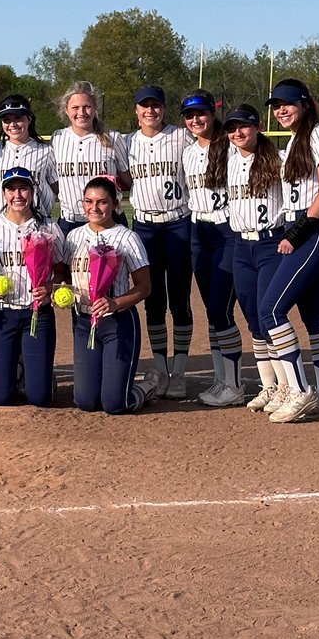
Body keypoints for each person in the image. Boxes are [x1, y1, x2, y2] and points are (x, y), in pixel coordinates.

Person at [260, 78, 319, 421]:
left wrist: (297, 231)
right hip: (301, 228)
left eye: (287, 103)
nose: (280, 109)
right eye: (276, 105)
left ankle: (299, 391)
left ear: (305, 103)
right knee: (315, 318)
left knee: (271, 311)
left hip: (314, 229)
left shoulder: (317, 134)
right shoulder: (293, 142)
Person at [223, 104, 298, 422]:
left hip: (271, 243)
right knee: (253, 318)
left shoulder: (277, 160)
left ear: (257, 127)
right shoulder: (229, 158)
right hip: (242, 245)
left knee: (270, 315)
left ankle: (288, 386)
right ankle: (270, 386)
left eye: (244, 126)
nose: (238, 132)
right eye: (232, 128)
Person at [65, 176, 156, 414]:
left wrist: (115, 303)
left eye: (102, 202)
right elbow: (62, 277)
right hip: (83, 322)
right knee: (86, 402)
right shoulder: (74, 237)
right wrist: (60, 291)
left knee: (115, 404)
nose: (94, 208)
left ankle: (146, 387)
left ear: (115, 204)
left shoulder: (127, 237)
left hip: (118, 323)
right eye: (88, 201)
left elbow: (144, 287)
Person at [126, 84, 193, 399]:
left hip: (178, 222)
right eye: (144, 106)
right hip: (145, 226)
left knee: (179, 299)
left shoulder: (181, 136)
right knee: (153, 300)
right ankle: (160, 369)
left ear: (164, 109)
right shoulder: (128, 143)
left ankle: (179, 372)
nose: (150, 111)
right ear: (136, 110)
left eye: (155, 106)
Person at [0, 167, 65, 407]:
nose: (18, 194)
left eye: (23, 188)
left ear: (32, 191)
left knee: (40, 397)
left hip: (37, 313)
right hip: (1, 314)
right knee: (0, 398)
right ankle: (16, 369)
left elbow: (61, 270)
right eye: (11, 189)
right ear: (3, 194)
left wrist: (49, 286)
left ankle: (40, 375)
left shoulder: (48, 227)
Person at [180, 91, 243, 406]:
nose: (195, 120)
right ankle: (222, 381)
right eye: (189, 116)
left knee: (221, 309)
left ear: (212, 113)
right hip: (198, 230)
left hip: (226, 231)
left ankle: (233, 385)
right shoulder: (189, 151)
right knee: (212, 311)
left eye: (201, 113)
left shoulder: (231, 146)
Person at [50, 81, 132, 236]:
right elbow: (55, 182)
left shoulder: (112, 138)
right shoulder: (58, 138)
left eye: (86, 106)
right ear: (67, 110)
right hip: (71, 221)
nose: (81, 112)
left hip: (108, 220)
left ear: (95, 108)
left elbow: (128, 180)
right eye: (75, 107)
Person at [0, 95, 58, 219]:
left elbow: (58, 189)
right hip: (2, 225)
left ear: (29, 118)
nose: (12, 124)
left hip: (39, 223)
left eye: (18, 118)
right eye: (6, 120)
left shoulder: (47, 151)